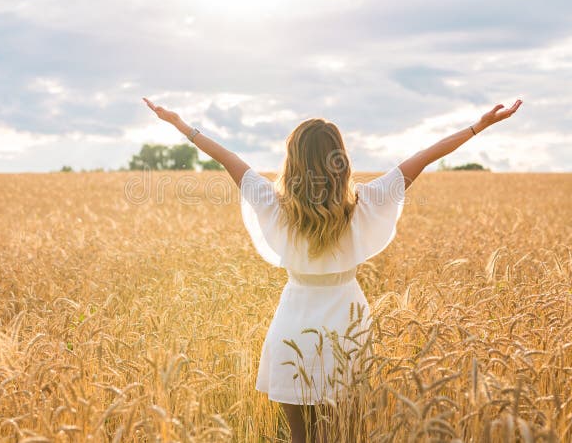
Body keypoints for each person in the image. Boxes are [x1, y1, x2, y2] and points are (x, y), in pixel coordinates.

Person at [142, 97, 522, 442]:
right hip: (348, 326)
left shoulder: (273, 204)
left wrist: (179, 124)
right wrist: (479, 126)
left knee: (300, 440)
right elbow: (424, 156)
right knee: (343, 435)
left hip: (293, 324)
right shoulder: (366, 202)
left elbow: (227, 158)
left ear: (293, 161)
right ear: (339, 159)